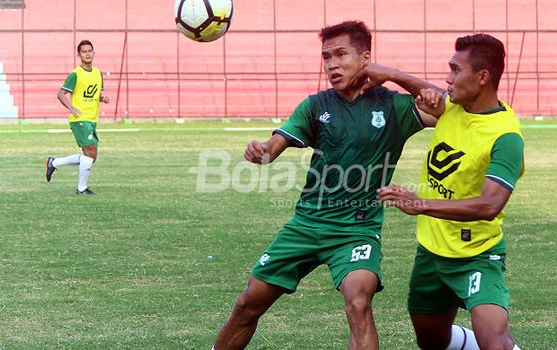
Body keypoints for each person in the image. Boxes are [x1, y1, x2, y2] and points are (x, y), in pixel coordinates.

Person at [212, 20, 444, 350]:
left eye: (340, 54)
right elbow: (271, 149)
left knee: (359, 304)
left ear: (366, 58)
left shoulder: (392, 106)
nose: (331, 65)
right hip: (306, 225)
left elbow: (456, 108)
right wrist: (260, 150)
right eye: (325, 57)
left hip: (356, 231)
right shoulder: (316, 106)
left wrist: (392, 73)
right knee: (248, 303)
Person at [376, 33, 525, 350]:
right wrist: (390, 74)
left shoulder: (506, 137)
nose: (448, 77)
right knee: (431, 341)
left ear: (482, 77)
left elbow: (489, 205)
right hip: (430, 252)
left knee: (494, 342)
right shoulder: (454, 107)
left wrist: (421, 204)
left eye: (456, 70)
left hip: (477, 255)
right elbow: (426, 92)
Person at [45, 39, 109, 195]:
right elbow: (61, 94)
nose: (87, 54)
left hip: (92, 119)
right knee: (90, 153)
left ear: (94, 53)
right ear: (79, 55)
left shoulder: (98, 73)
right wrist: (71, 107)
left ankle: (54, 162)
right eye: (84, 51)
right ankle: (81, 189)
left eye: (89, 51)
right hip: (80, 119)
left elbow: (93, 94)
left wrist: (102, 99)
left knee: (92, 157)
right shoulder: (75, 74)